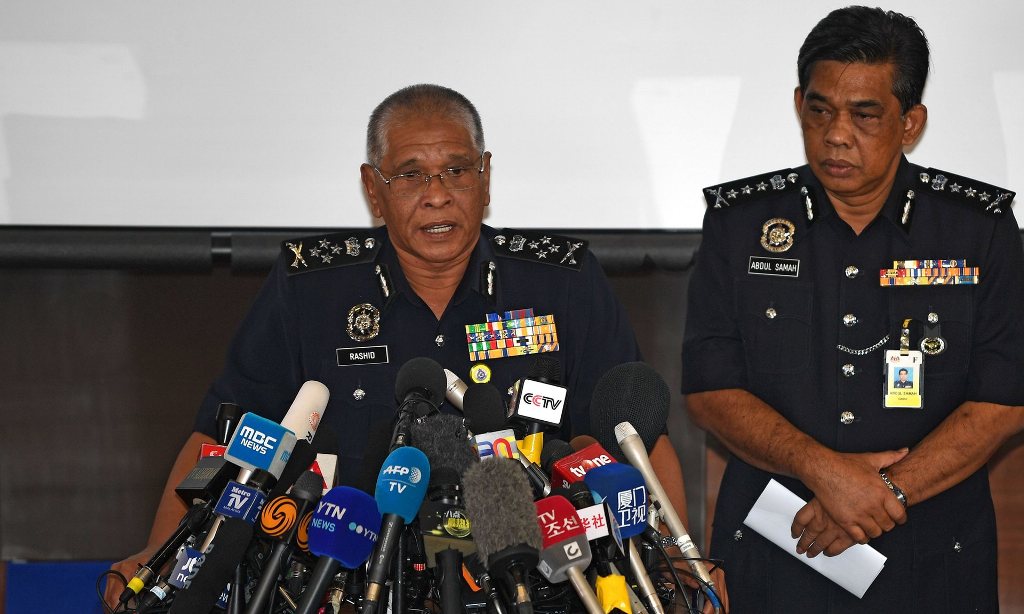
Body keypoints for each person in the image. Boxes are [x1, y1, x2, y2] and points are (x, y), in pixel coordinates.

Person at [105, 84, 722, 611]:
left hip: (536, 583)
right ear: (374, 190)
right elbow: (230, 435)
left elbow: (632, 441)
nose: (436, 193)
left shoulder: (561, 281)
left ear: (485, 179)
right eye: (411, 175)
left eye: (456, 170)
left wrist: (676, 565)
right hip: (351, 585)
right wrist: (160, 562)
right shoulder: (310, 289)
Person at [682, 7, 1024, 613]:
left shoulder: (979, 230)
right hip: (779, 541)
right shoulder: (741, 224)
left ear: (910, 121)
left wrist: (879, 493)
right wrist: (824, 471)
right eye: (819, 111)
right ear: (798, 105)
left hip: (933, 556)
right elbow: (710, 390)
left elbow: (1002, 401)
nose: (837, 134)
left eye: (864, 115)